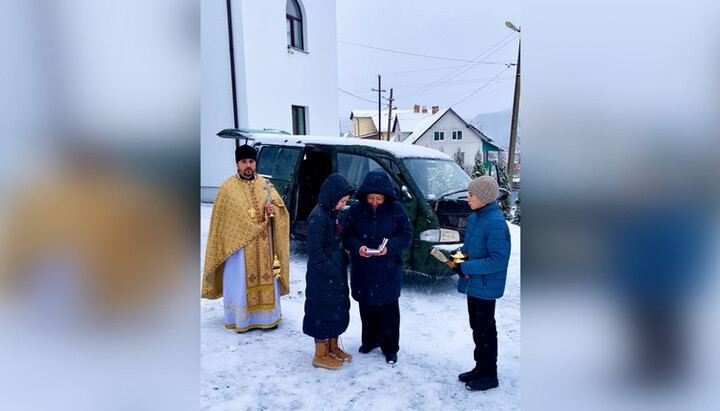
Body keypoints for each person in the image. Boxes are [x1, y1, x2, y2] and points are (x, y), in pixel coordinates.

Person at [201, 143, 290, 332]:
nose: (248, 165)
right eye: (244, 162)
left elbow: (281, 211)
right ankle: (242, 319)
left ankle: (268, 318)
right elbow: (223, 223)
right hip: (239, 249)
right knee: (239, 280)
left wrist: (274, 212)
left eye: (251, 161)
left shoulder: (265, 185)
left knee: (266, 278)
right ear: (237, 164)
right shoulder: (227, 188)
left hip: (265, 246)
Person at [342, 170, 413, 364]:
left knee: (388, 308)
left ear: (386, 197)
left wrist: (389, 247)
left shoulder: (396, 209)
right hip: (363, 267)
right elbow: (347, 235)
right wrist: (358, 247)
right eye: (371, 198)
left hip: (387, 268)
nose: (374, 202)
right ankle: (370, 341)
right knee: (366, 307)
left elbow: (406, 234)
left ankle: (390, 347)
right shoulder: (356, 210)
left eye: (379, 198)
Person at [449, 176, 511, 391]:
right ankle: (480, 368)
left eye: (471, 195)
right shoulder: (477, 217)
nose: (467, 199)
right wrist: (456, 258)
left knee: (485, 330)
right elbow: (470, 247)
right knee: (477, 327)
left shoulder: (495, 223)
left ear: (484, 198)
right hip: (474, 283)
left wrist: (466, 268)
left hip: (486, 285)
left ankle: (489, 374)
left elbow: (498, 259)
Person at [302, 173, 355, 370]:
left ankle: (333, 346)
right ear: (332, 197)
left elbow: (333, 243)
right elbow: (315, 252)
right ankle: (320, 354)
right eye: (342, 201)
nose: (343, 205)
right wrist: (333, 268)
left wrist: (342, 258)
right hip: (322, 278)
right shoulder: (318, 217)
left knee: (335, 310)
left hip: (333, 275)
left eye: (345, 202)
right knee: (322, 312)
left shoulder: (331, 213)